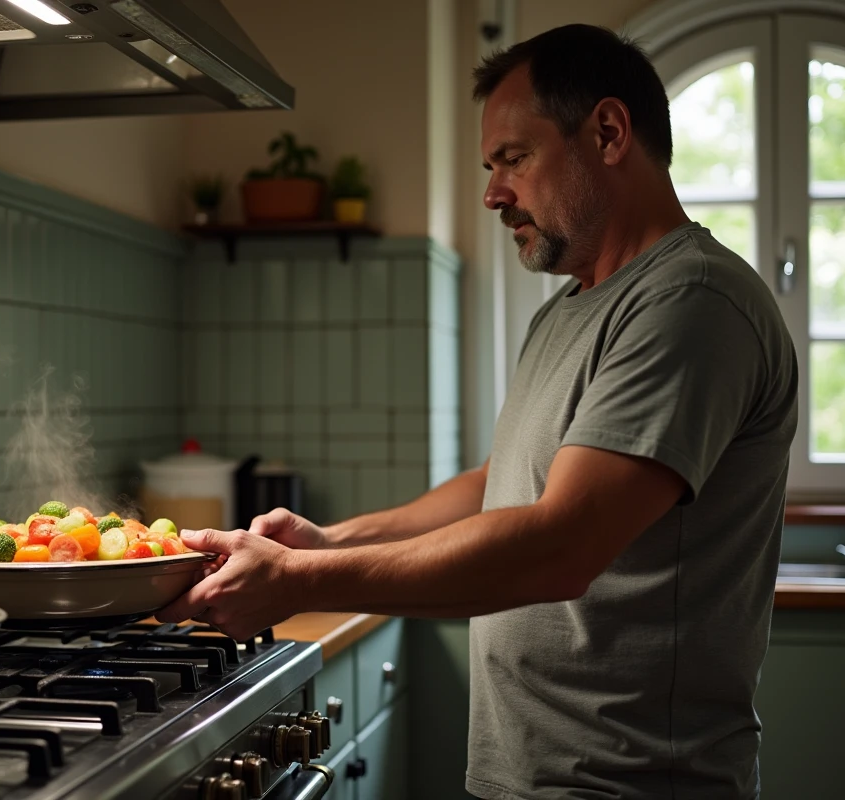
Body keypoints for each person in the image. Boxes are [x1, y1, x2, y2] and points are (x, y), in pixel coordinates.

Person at [157, 23, 797, 800]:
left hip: (632, 782)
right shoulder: (569, 310)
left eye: (514, 160)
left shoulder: (692, 302)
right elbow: (505, 483)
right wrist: (330, 540)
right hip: (528, 774)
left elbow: (560, 543)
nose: (493, 193)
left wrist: (303, 579)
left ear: (607, 132)